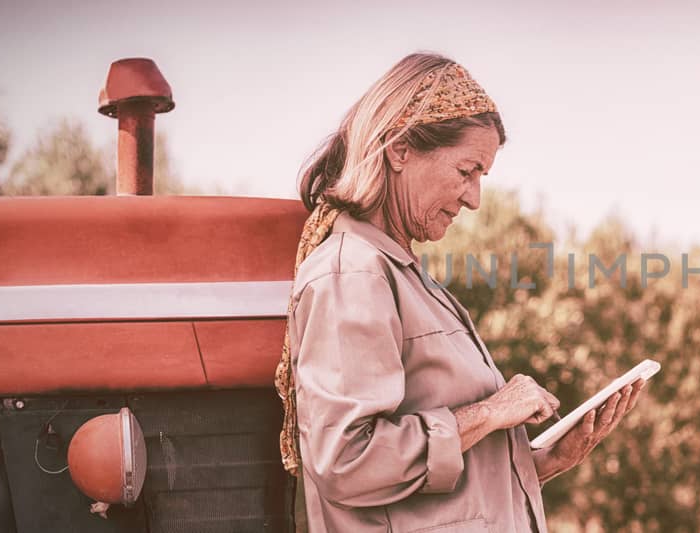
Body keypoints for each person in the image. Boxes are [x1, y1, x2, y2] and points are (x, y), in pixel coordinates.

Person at [273, 52, 644, 532]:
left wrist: (548, 459)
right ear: (400, 148)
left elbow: (434, 489)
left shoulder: (406, 278)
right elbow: (348, 461)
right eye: (467, 171)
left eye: (481, 177)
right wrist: (491, 412)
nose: (474, 198)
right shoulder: (353, 274)